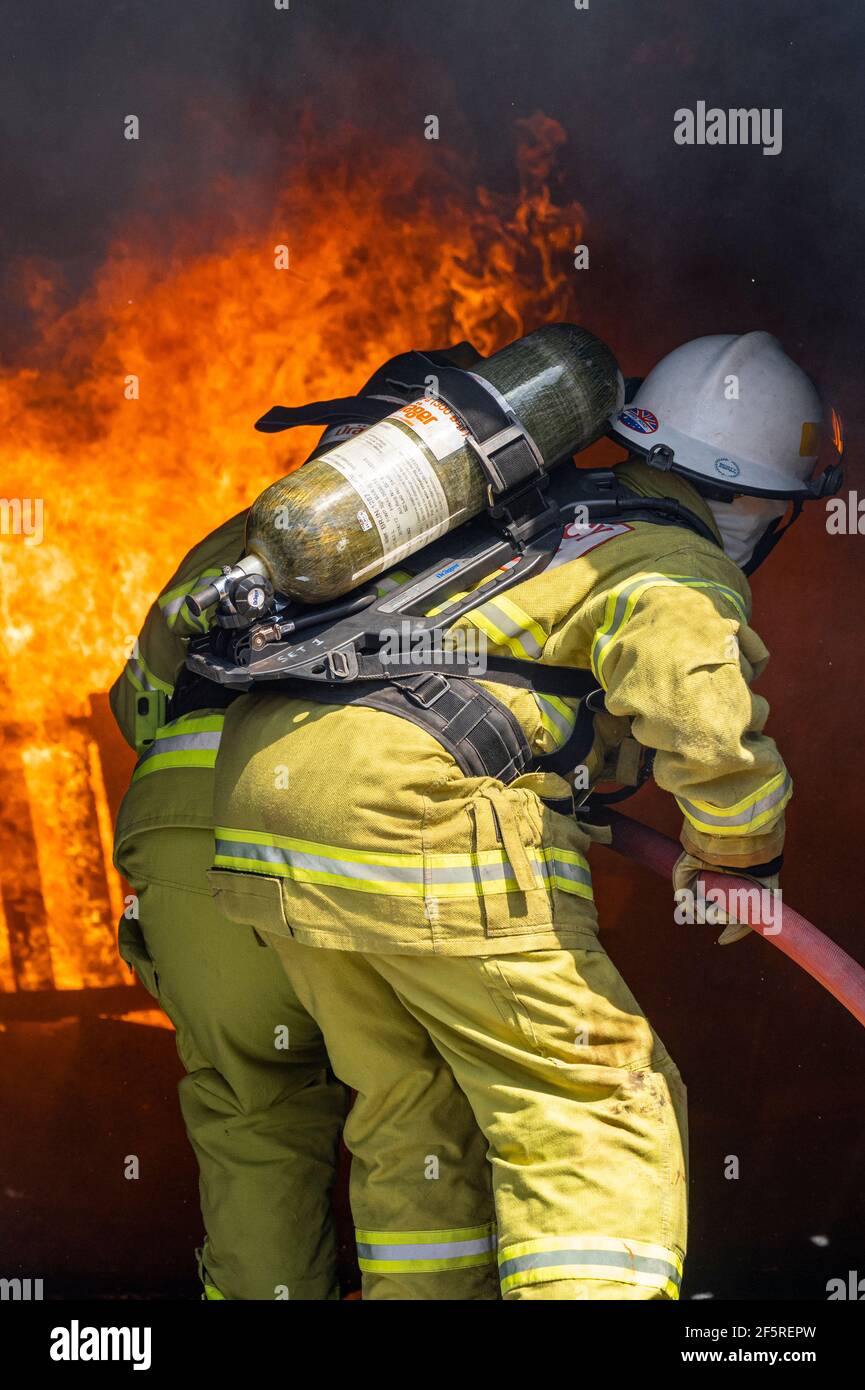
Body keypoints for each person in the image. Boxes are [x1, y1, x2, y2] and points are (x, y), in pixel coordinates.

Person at [207, 330, 839, 1300]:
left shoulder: (537, 515)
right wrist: (737, 849)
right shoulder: (668, 556)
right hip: (408, 812)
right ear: (759, 504)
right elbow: (696, 704)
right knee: (592, 1099)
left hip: (270, 804)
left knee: (415, 1108)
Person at [111, 342, 490, 1300]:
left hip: (188, 861)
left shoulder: (239, 541)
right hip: (344, 852)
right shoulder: (491, 542)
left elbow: (138, 705)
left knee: (253, 1113)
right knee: (412, 1100)